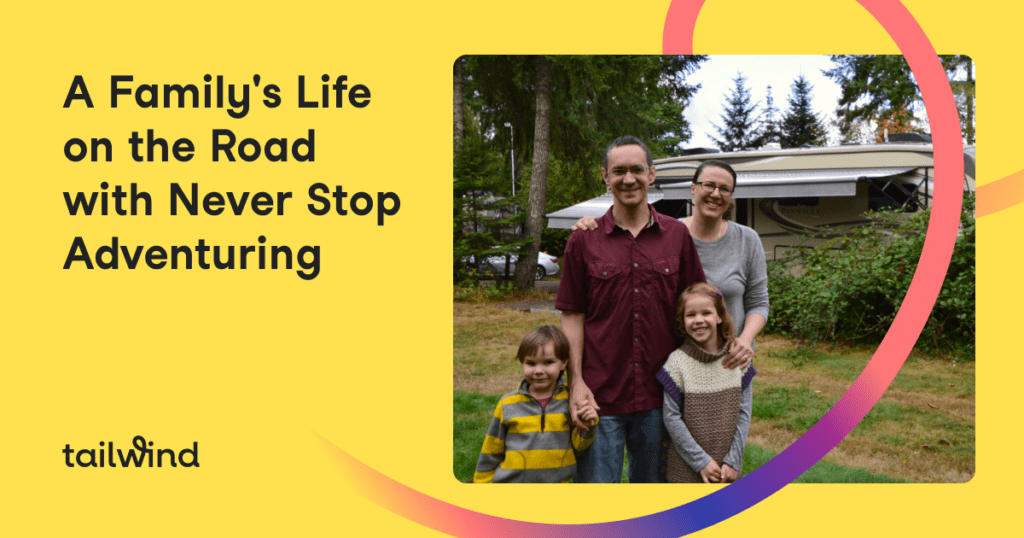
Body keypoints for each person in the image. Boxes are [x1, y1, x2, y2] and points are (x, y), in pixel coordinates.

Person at [556, 136, 706, 483]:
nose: (628, 179)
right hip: (598, 395)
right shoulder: (583, 240)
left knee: (652, 501)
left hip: (661, 395)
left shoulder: (676, 236)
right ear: (605, 177)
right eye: (619, 171)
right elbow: (572, 315)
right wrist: (576, 383)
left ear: (651, 174)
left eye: (637, 170)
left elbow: (697, 309)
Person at [573, 159, 768, 369]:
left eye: (724, 189)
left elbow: (758, 302)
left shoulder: (747, 239)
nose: (715, 194)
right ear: (693, 188)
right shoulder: (669, 234)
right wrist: (594, 227)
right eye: (709, 185)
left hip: (731, 360)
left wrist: (745, 340)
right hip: (680, 363)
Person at [473, 325, 599, 483]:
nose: (538, 370)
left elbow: (578, 447)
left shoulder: (570, 402)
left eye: (548, 362)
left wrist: (588, 424)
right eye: (531, 363)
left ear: (564, 363)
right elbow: (491, 451)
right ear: (522, 363)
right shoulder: (507, 404)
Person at [657, 283, 754, 483]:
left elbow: (744, 414)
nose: (698, 320)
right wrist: (701, 462)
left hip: (728, 471)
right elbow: (671, 418)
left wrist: (733, 461)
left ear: (719, 316)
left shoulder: (738, 360)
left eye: (706, 313)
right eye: (691, 315)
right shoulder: (676, 363)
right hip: (685, 473)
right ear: (682, 321)